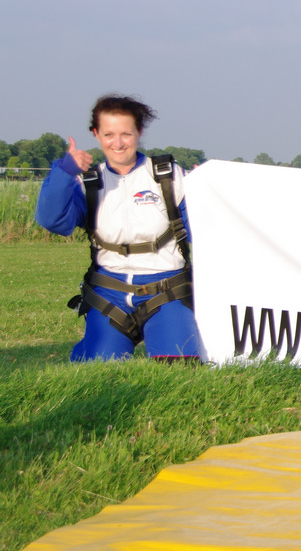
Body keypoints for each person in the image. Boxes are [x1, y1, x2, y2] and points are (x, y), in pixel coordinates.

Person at [35, 94, 201, 362]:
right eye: (109, 134)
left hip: (167, 291)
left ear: (139, 132)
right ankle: (91, 347)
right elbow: (53, 221)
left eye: (126, 133)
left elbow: (206, 233)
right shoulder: (89, 183)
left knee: (179, 364)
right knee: (99, 369)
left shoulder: (169, 177)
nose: (118, 143)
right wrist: (64, 171)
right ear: (96, 134)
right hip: (108, 295)